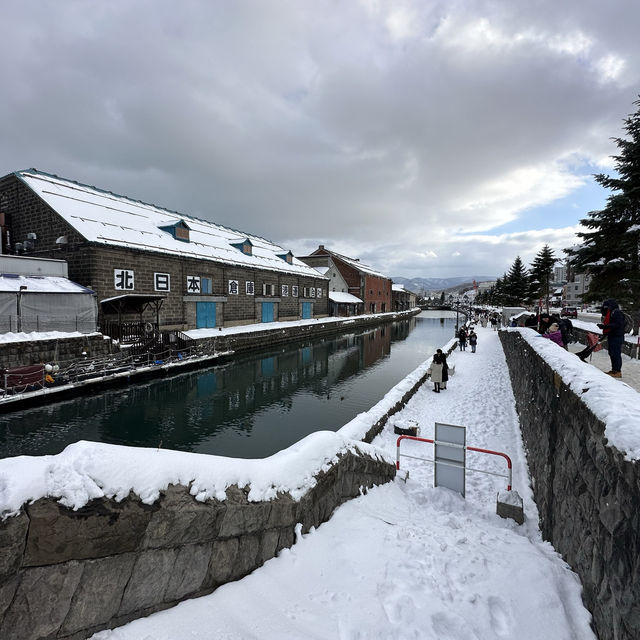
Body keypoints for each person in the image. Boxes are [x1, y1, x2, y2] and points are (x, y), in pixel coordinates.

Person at [598, 298, 625, 377]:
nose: (604, 309)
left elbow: (618, 324)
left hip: (617, 337)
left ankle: (617, 371)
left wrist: (605, 326)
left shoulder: (616, 312)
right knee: (612, 353)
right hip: (613, 335)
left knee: (616, 353)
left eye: (605, 307)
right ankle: (614, 370)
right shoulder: (611, 312)